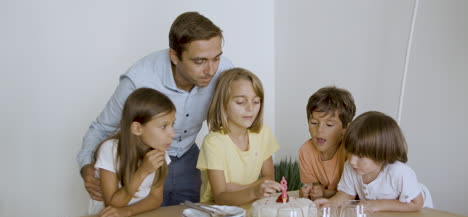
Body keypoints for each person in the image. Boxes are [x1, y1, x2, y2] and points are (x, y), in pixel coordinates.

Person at [77, 11, 234, 206]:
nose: (211, 70)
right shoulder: (139, 80)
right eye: (199, 61)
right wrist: (86, 167)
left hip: (189, 158)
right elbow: (102, 128)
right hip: (143, 162)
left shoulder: (224, 72)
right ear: (175, 56)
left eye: (216, 58)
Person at [78, 88, 176, 217]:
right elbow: (112, 203)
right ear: (137, 128)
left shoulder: (159, 152)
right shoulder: (111, 149)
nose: (172, 133)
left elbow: (156, 199)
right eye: (164, 126)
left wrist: (126, 212)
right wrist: (143, 171)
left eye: (172, 124)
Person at [315, 111, 433, 212]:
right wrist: (331, 203)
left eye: (360, 156)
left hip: (418, 216)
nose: (352, 161)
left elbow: (416, 204)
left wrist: (379, 204)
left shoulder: (400, 172)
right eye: (350, 152)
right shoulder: (351, 167)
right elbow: (347, 194)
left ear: (382, 155)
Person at [197, 68, 282, 205]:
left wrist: (236, 188)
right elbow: (220, 197)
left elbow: (269, 178)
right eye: (241, 102)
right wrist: (254, 190)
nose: (250, 108)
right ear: (223, 103)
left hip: (250, 208)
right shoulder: (213, 142)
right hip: (216, 215)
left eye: (256, 101)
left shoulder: (263, 132)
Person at [298, 86, 356, 200]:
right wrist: (310, 192)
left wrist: (324, 194)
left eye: (329, 125)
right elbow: (316, 188)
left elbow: (354, 194)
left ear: (345, 129)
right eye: (314, 122)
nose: (319, 130)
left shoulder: (351, 151)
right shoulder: (306, 151)